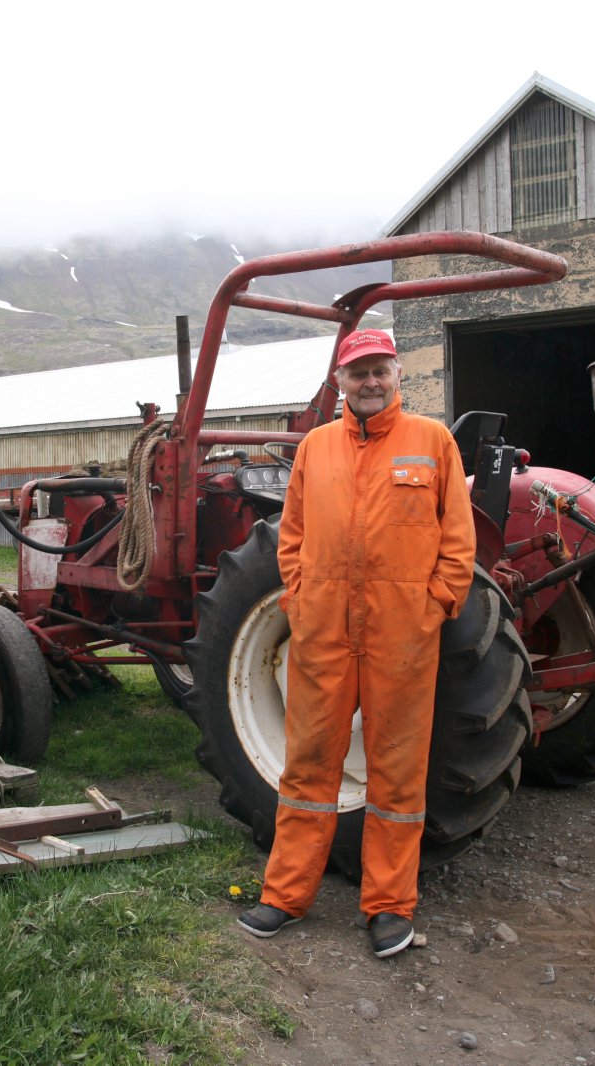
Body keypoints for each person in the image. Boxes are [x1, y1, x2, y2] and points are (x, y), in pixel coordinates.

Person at [237, 328, 477, 958]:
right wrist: (300, 594)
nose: (369, 382)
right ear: (339, 381)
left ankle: (389, 907)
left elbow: (459, 538)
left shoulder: (433, 443)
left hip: (404, 633)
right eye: (357, 372)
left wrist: (436, 604)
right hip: (323, 631)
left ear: (399, 374)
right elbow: (291, 535)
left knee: (396, 770)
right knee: (309, 762)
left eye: (379, 370)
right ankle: (285, 896)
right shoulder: (316, 448)